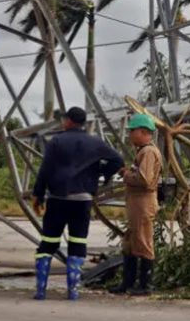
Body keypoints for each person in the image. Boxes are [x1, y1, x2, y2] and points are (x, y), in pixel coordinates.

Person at [32, 107, 124, 300]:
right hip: (82, 200)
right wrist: (101, 173)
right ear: (82, 123)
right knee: (78, 241)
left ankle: (41, 291)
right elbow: (118, 160)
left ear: (68, 121)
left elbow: (45, 170)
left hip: (58, 198)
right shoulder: (95, 143)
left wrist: (38, 195)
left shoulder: (56, 141)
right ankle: (73, 291)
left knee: (48, 242)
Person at [109, 113, 162, 295]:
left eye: (133, 131)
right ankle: (128, 283)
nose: (130, 135)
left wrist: (126, 176)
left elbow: (145, 179)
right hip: (136, 202)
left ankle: (146, 285)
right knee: (130, 241)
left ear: (143, 132)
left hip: (143, 202)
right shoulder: (142, 151)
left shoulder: (148, 152)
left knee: (143, 241)